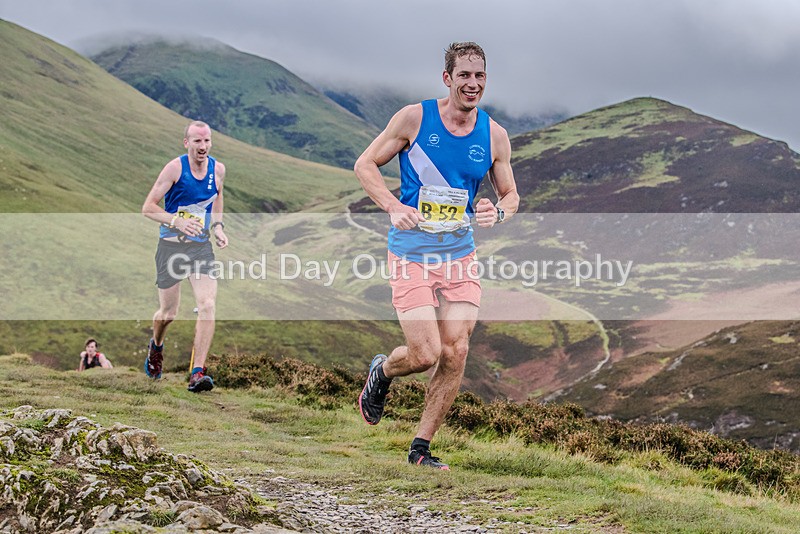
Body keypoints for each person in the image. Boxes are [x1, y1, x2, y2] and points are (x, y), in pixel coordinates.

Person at [354, 42, 519, 469]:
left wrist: (498, 211)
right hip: (411, 253)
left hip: (459, 255)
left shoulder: (494, 135)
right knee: (425, 353)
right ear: (447, 78)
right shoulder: (415, 118)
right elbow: (365, 165)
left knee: (456, 350)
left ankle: (421, 448)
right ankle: (383, 372)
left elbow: (511, 194)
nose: (472, 83)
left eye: (479, 76)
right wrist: (393, 206)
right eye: (464, 75)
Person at [141, 120, 229, 392]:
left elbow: (217, 197)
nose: (203, 146)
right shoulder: (175, 169)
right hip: (171, 247)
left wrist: (218, 227)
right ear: (187, 143)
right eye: (197, 141)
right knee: (168, 313)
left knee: (207, 304)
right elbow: (148, 207)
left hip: (200, 247)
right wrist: (176, 221)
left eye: (207, 140)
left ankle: (197, 372)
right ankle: (156, 347)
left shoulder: (218, 169)